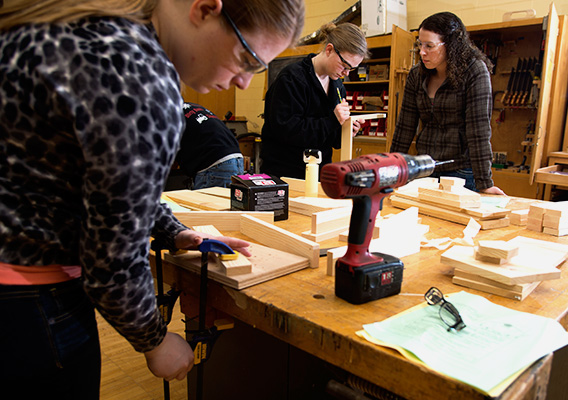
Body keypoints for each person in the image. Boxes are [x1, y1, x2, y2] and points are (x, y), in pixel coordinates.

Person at [0, 0, 304, 398]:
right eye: (248, 59)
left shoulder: (97, 29)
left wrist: (177, 232)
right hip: (28, 304)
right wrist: (155, 340)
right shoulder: (140, 81)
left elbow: (106, 188)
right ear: (206, 9)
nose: (245, 82)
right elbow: (111, 261)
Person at [389, 12, 505, 195]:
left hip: (461, 173)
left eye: (430, 46)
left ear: (451, 45)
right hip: (424, 168)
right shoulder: (417, 75)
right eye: (420, 44)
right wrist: (392, 171)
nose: (422, 52)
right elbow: (405, 127)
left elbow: (478, 131)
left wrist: (485, 183)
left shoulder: (474, 71)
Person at [260, 22, 368, 179]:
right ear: (329, 49)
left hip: (318, 174)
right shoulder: (292, 79)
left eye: (350, 69)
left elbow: (330, 140)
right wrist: (332, 120)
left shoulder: (337, 86)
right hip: (286, 174)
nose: (345, 73)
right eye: (344, 65)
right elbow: (287, 131)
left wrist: (346, 130)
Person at [176, 102, 244, 189]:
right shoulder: (192, 106)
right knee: (226, 201)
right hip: (236, 159)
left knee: (208, 202)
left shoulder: (167, 113)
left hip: (214, 164)